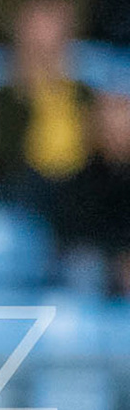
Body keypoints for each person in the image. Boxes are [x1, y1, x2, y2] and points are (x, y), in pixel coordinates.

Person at [0, 0, 95, 212]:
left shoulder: (83, 92)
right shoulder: (8, 97)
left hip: (80, 187)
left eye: (54, 29)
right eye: (39, 30)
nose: (46, 40)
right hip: (29, 187)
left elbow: (95, 150)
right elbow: (7, 160)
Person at [52, 91, 130, 298]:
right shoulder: (77, 182)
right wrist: (117, 259)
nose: (115, 129)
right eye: (108, 121)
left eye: (123, 121)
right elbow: (72, 233)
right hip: (99, 268)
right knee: (84, 267)